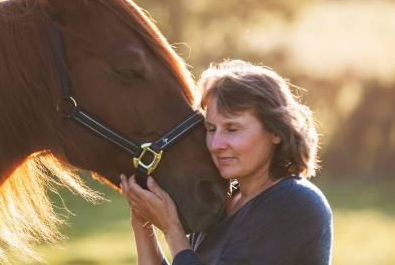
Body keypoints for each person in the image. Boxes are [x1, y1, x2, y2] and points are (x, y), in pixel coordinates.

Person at [120, 60, 333, 265]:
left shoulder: (295, 202)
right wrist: (141, 220)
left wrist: (172, 228)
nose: (215, 144)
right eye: (211, 129)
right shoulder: (224, 199)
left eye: (232, 129)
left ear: (276, 130)